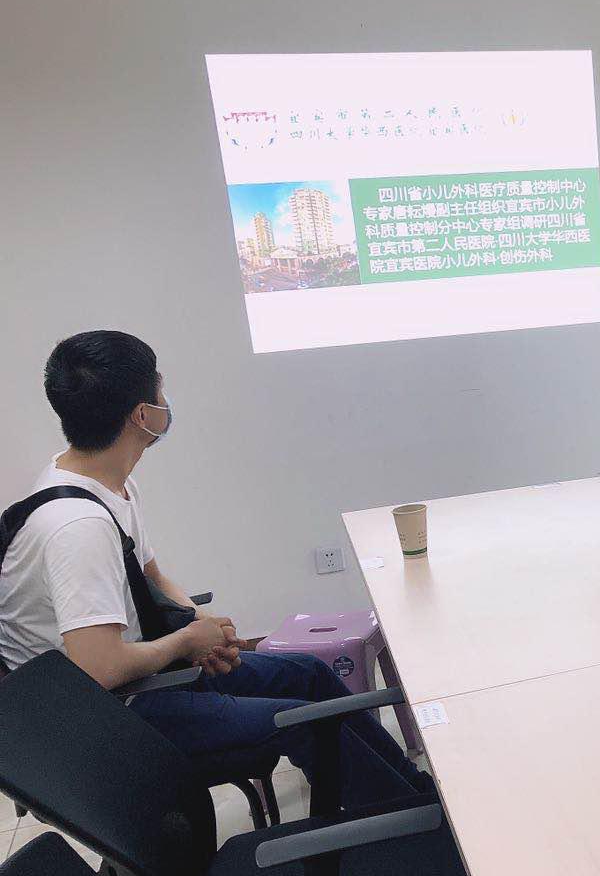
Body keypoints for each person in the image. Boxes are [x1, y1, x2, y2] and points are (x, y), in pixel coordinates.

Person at [0, 330, 430, 808]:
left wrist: (204, 629)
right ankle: (406, 823)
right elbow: (98, 667)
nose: (166, 397)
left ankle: (418, 795)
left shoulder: (106, 484)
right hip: (103, 720)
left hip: (137, 677)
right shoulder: (76, 526)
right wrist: (186, 642)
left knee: (309, 674)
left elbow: (152, 578)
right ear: (143, 415)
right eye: (159, 386)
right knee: (306, 722)